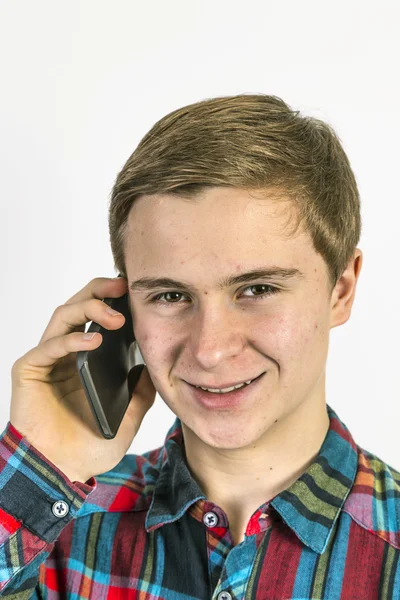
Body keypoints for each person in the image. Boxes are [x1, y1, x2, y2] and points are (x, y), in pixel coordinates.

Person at [1, 94, 398, 599]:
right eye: (170, 295)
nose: (210, 350)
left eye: (257, 290)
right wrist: (40, 465)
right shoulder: (49, 532)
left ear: (340, 290)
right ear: (123, 314)